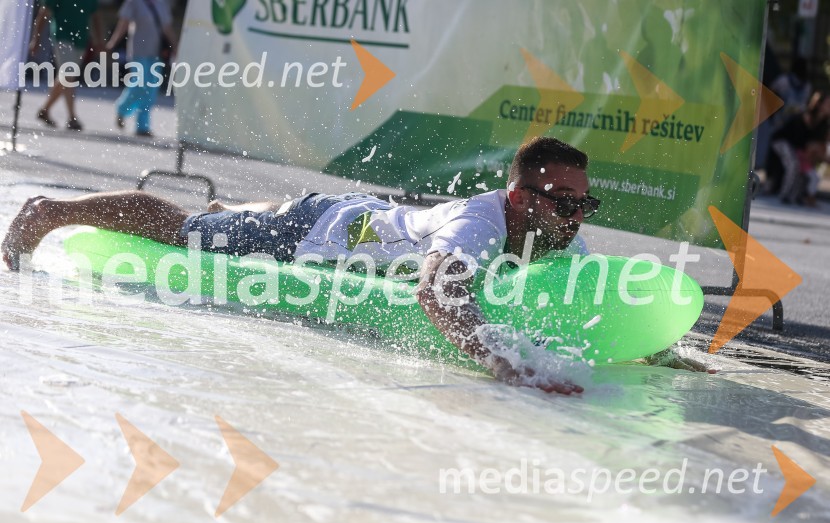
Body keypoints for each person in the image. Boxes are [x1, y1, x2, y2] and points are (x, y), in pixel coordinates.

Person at [1, 137, 710, 393]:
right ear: (522, 194)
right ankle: (48, 210)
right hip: (320, 234)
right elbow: (438, 294)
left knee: (239, 218)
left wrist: (657, 347)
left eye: (586, 205)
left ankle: (261, 207)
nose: (576, 217)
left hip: (362, 219)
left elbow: (585, 299)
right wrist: (504, 362)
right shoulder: (480, 220)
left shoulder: (557, 235)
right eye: (564, 203)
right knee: (189, 231)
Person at [105, 0, 177, 137]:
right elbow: (123, 23)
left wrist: (175, 46)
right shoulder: (134, 2)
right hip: (138, 52)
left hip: (156, 54)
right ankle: (122, 108)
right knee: (139, 84)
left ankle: (142, 126)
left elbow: (167, 27)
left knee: (151, 90)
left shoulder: (162, 3)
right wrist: (113, 42)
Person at [29, 0, 103, 131]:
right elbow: (43, 13)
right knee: (68, 74)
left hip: (81, 39)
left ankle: (46, 109)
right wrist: (36, 39)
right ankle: (72, 117)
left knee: (68, 77)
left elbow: (95, 16)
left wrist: (98, 40)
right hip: (62, 36)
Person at [766, 91, 830, 204]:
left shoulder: (823, 125)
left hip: (798, 146)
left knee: (803, 168)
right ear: (819, 104)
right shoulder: (808, 115)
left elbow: (818, 146)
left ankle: (795, 196)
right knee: (793, 164)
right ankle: (785, 194)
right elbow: (801, 138)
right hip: (783, 140)